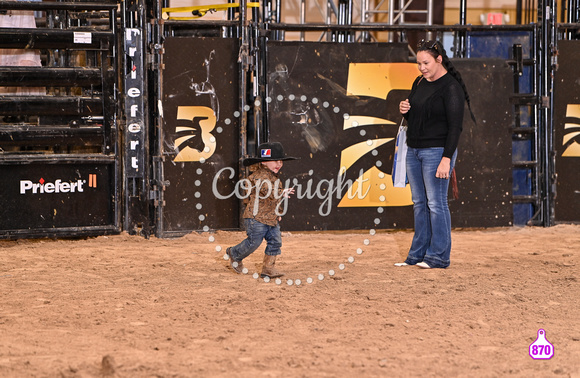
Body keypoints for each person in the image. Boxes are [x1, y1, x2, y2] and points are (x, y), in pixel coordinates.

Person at [396, 40, 476, 269]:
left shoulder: (451, 88)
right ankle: (417, 255)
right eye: (419, 63)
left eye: (426, 62)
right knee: (420, 203)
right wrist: (405, 110)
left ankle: (439, 257)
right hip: (414, 149)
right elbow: (418, 118)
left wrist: (447, 158)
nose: (421, 67)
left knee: (436, 203)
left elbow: (455, 127)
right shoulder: (419, 82)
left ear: (439, 59)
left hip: (437, 152)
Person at [226, 141, 297, 278]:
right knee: (254, 242)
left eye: (281, 161)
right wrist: (281, 192)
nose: (279, 164)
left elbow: (274, 198)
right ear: (264, 162)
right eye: (275, 161)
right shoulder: (257, 176)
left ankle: (268, 268)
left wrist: (278, 212)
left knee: (275, 241)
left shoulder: (274, 178)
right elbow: (268, 191)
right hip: (255, 218)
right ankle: (234, 253)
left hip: (270, 218)